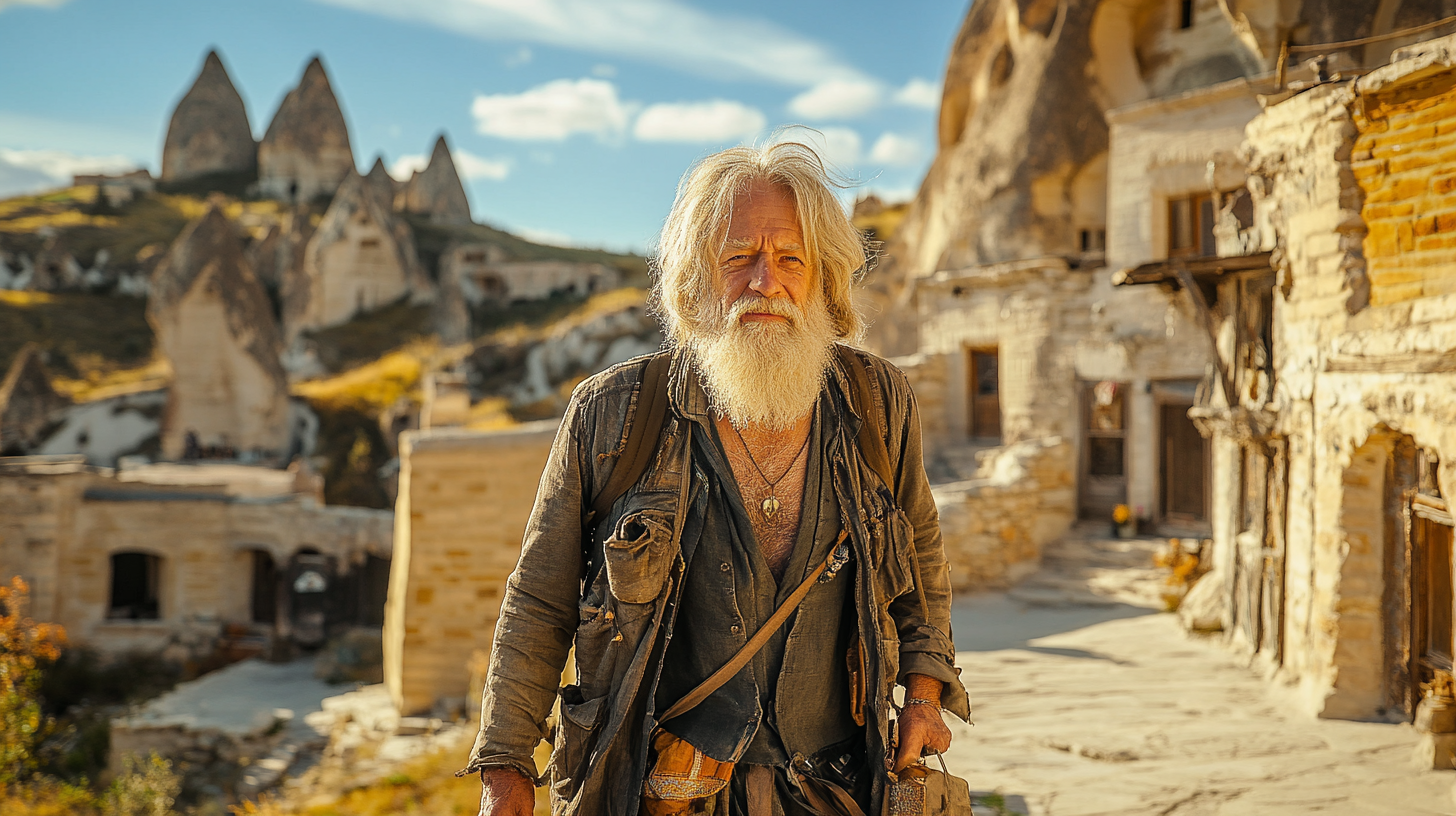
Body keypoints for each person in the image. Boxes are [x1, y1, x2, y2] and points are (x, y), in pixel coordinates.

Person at [463, 141, 970, 816]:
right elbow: (539, 601)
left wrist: (927, 693)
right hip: (654, 792)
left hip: (835, 789)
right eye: (739, 258)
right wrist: (506, 771)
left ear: (824, 278)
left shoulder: (876, 404)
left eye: (792, 258)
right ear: (698, 277)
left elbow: (922, 558)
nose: (766, 282)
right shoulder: (612, 415)